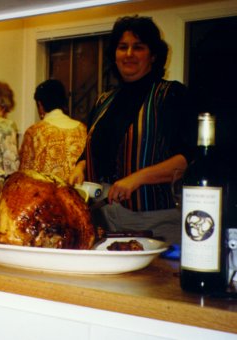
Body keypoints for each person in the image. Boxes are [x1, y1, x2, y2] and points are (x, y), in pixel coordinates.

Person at [69, 15, 197, 245]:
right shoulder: (103, 100)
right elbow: (92, 150)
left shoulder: (170, 94)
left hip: (154, 221)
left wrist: (136, 179)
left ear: (153, 55)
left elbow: (187, 158)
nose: (129, 54)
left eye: (138, 47)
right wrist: (80, 167)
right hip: (102, 217)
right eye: (122, 47)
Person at [19, 79, 86, 181]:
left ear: (40, 105)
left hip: (47, 194)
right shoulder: (82, 128)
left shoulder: (35, 131)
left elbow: (24, 174)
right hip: (78, 193)